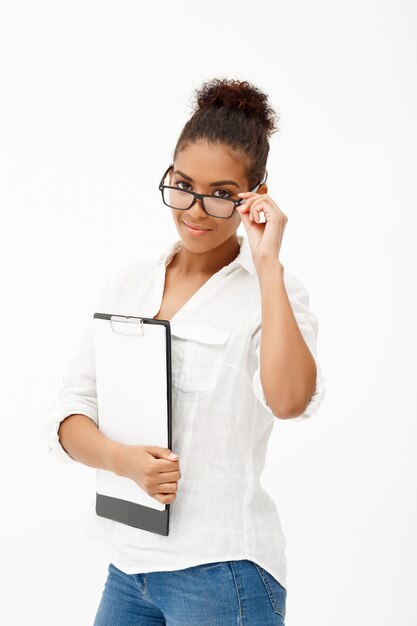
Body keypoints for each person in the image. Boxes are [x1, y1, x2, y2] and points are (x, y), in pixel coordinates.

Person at [46, 77, 326, 625]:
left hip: (223, 572)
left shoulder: (276, 292)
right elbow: (69, 411)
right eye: (183, 184)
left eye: (222, 193)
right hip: (127, 570)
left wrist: (266, 265)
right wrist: (121, 460)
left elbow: (290, 400)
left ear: (255, 195)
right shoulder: (128, 284)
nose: (196, 209)